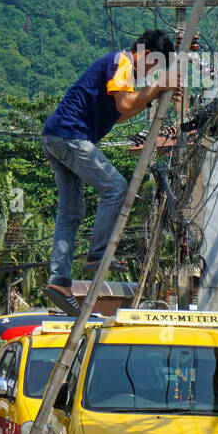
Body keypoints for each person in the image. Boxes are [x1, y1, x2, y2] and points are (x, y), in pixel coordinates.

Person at [42, 29, 178, 313]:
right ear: (145, 52)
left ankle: (59, 279)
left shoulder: (121, 67)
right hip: (71, 136)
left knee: (72, 211)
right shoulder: (123, 62)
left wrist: (153, 93)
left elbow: (121, 114)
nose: (152, 71)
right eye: (155, 64)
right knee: (116, 188)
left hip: (56, 136)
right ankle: (98, 253)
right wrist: (159, 87)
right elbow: (127, 104)